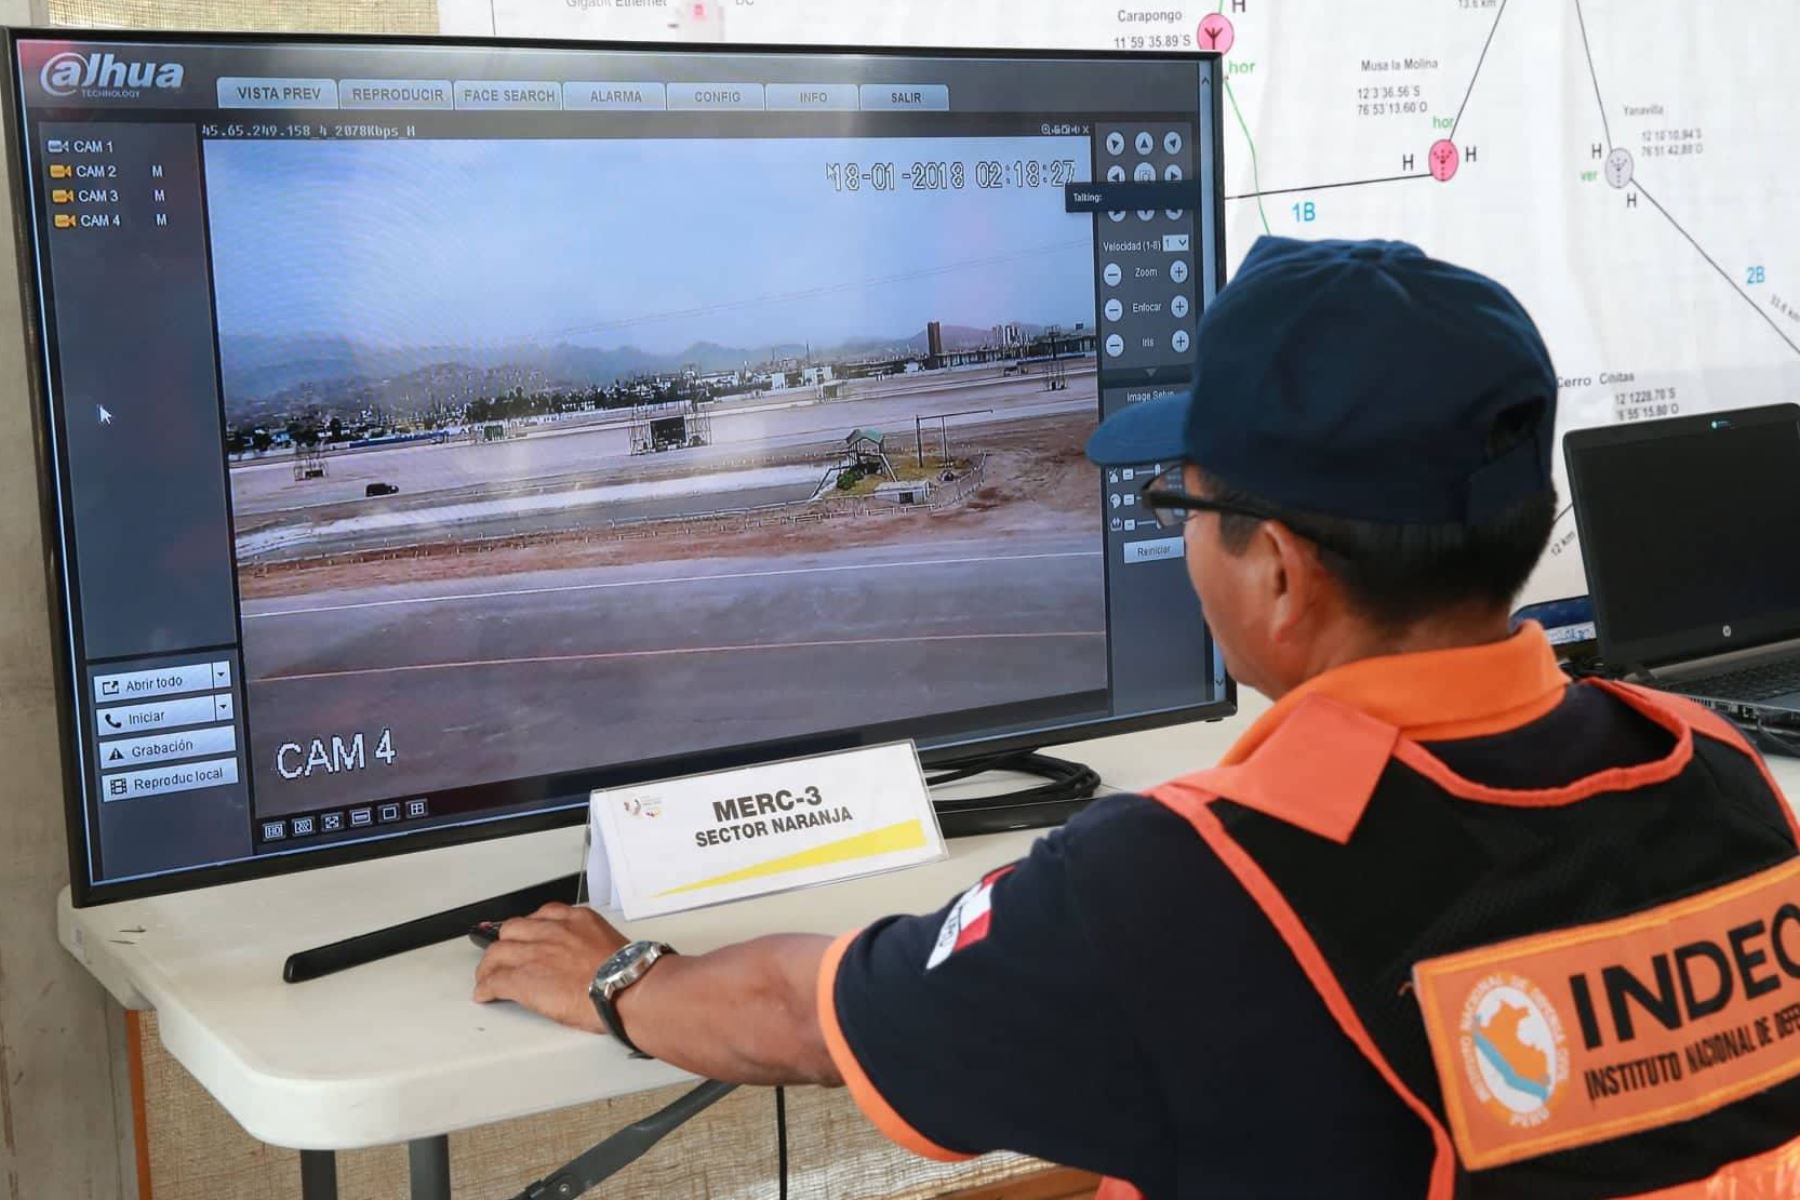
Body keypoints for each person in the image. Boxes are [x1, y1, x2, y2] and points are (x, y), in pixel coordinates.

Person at [474, 237, 1800, 1197]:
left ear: (1278, 568)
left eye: (1186, 511)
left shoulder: (1184, 888)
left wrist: (617, 976)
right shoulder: (1727, 777)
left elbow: (806, 1014)